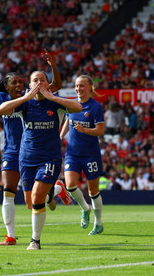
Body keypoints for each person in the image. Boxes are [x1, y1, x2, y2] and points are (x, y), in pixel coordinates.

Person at [0, 49, 69, 246]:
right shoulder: (0, 98)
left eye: (21, 82)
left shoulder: (31, 94)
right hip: (11, 150)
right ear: (6, 86)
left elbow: (56, 86)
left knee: (34, 197)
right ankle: (10, 236)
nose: (19, 85)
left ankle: (54, 190)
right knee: (9, 191)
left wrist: (52, 67)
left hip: (34, 150)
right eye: (14, 82)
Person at [0, 70, 82, 250]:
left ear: (47, 83)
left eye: (42, 80)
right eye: (35, 80)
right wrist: (25, 98)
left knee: (37, 197)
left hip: (49, 158)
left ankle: (35, 241)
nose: (38, 83)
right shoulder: (25, 104)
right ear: (29, 86)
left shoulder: (55, 103)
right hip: (26, 158)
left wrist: (52, 97)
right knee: (31, 203)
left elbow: (78, 107)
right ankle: (55, 189)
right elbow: (1, 109)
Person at [60, 75, 105, 235]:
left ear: (90, 87)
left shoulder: (95, 107)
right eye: (77, 86)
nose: (78, 89)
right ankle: (85, 209)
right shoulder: (72, 104)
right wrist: (61, 135)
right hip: (72, 153)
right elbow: (68, 119)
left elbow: (100, 131)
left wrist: (85, 130)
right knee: (70, 185)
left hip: (90, 155)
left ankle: (98, 223)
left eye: (82, 86)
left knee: (93, 191)